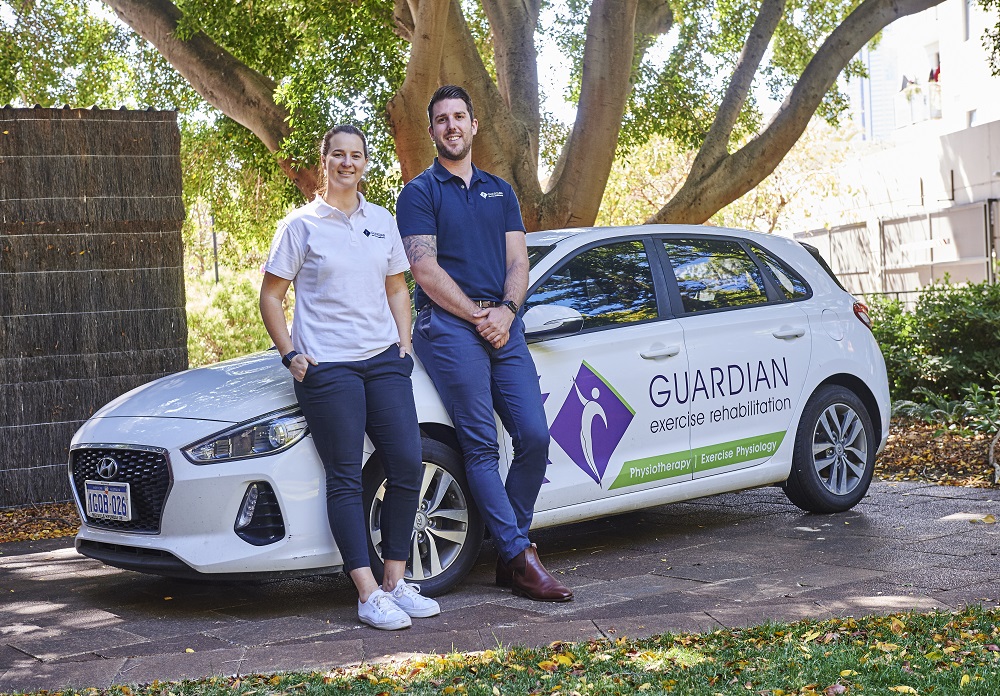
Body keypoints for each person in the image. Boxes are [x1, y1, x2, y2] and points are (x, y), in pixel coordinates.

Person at [259, 124, 440, 629]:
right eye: (337, 154)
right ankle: (365, 592)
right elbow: (271, 296)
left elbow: (398, 289)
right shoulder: (300, 225)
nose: (347, 162)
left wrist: (404, 345)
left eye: (356, 155)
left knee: (406, 464)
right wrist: (290, 354)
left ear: (365, 163)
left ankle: (395, 581)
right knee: (344, 475)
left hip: (384, 362)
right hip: (328, 368)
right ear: (324, 161)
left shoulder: (382, 221)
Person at [396, 85, 573, 602]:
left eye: (459, 117)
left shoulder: (501, 190)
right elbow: (424, 270)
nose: (451, 126)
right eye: (441, 119)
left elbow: (519, 261)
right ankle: (521, 557)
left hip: (503, 320)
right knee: (480, 445)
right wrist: (477, 314)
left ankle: (510, 551)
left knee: (535, 437)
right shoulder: (419, 193)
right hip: (449, 326)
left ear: (474, 126)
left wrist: (507, 311)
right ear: (432, 132)